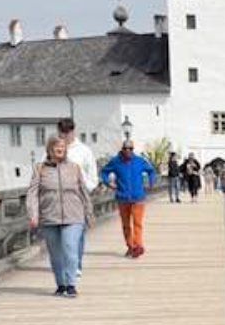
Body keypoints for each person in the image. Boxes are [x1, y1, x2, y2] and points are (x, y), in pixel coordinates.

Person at [27, 135, 94, 298]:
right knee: (56, 254)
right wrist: (33, 214)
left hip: (73, 215)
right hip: (49, 217)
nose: (60, 149)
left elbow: (83, 192)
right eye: (57, 147)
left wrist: (89, 213)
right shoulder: (40, 169)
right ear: (49, 149)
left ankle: (71, 285)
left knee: (70, 249)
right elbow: (32, 193)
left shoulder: (74, 168)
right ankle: (61, 284)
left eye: (63, 147)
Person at [100, 139, 157, 258]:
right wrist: (108, 183)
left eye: (130, 148)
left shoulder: (139, 161)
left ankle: (138, 246)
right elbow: (104, 172)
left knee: (137, 223)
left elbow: (151, 171)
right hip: (122, 198)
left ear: (133, 149)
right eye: (125, 148)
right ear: (122, 149)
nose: (128, 150)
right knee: (126, 225)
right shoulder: (115, 161)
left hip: (138, 197)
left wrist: (151, 182)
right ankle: (131, 246)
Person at [57, 118, 97, 278]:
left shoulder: (84, 151)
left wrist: (85, 189)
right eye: (62, 131)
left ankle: (76, 264)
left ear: (73, 131)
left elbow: (93, 176)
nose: (64, 134)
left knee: (77, 233)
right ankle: (65, 263)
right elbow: (42, 170)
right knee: (60, 234)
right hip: (57, 198)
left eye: (67, 131)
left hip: (78, 198)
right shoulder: (52, 149)